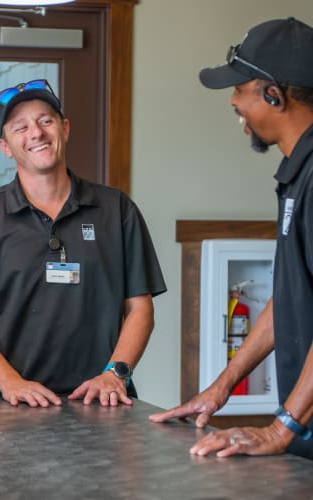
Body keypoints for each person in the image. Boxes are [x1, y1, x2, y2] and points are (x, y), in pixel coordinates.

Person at [0, 79, 166, 408]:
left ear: (64, 128)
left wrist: (116, 374)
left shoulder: (116, 210)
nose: (36, 133)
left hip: (101, 402)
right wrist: (9, 382)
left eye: (45, 121)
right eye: (20, 127)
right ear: (5, 146)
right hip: (6, 405)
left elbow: (140, 308)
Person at [150, 17, 313, 460]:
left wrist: (282, 428)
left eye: (239, 88)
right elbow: (292, 300)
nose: (234, 102)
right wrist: (218, 390)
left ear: (273, 94)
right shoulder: (298, 172)